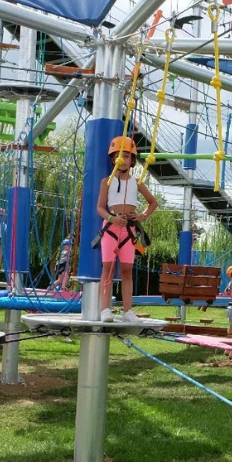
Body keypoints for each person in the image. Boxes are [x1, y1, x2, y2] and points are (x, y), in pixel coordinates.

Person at [95, 136, 158, 323]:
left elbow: (153, 203)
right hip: (111, 228)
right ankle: (105, 309)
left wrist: (142, 216)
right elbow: (100, 208)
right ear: (113, 159)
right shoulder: (106, 181)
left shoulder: (136, 183)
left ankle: (127, 310)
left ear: (132, 161)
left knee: (126, 270)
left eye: (127, 156)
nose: (122, 159)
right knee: (107, 268)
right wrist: (112, 218)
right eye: (118, 155)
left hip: (129, 230)